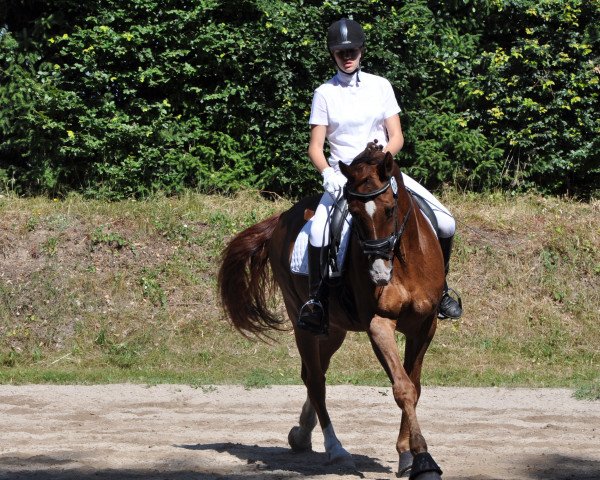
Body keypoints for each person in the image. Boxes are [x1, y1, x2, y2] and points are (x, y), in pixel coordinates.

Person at [297, 18, 463, 335]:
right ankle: (318, 303)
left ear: (361, 51)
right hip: (346, 178)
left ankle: (440, 292)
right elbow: (315, 147)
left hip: (383, 173)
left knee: (446, 222)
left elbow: (396, 135)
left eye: (352, 50)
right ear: (333, 54)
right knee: (319, 232)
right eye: (341, 51)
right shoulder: (324, 93)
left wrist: (383, 162)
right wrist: (327, 172)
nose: (347, 56)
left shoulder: (380, 85)